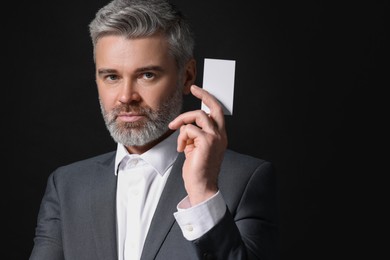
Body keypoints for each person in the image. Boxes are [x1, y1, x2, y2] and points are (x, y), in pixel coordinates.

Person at [29, 0, 279, 259]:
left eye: (147, 75)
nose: (126, 97)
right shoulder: (67, 185)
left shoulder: (246, 179)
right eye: (112, 77)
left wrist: (203, 194)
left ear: (188, 76)